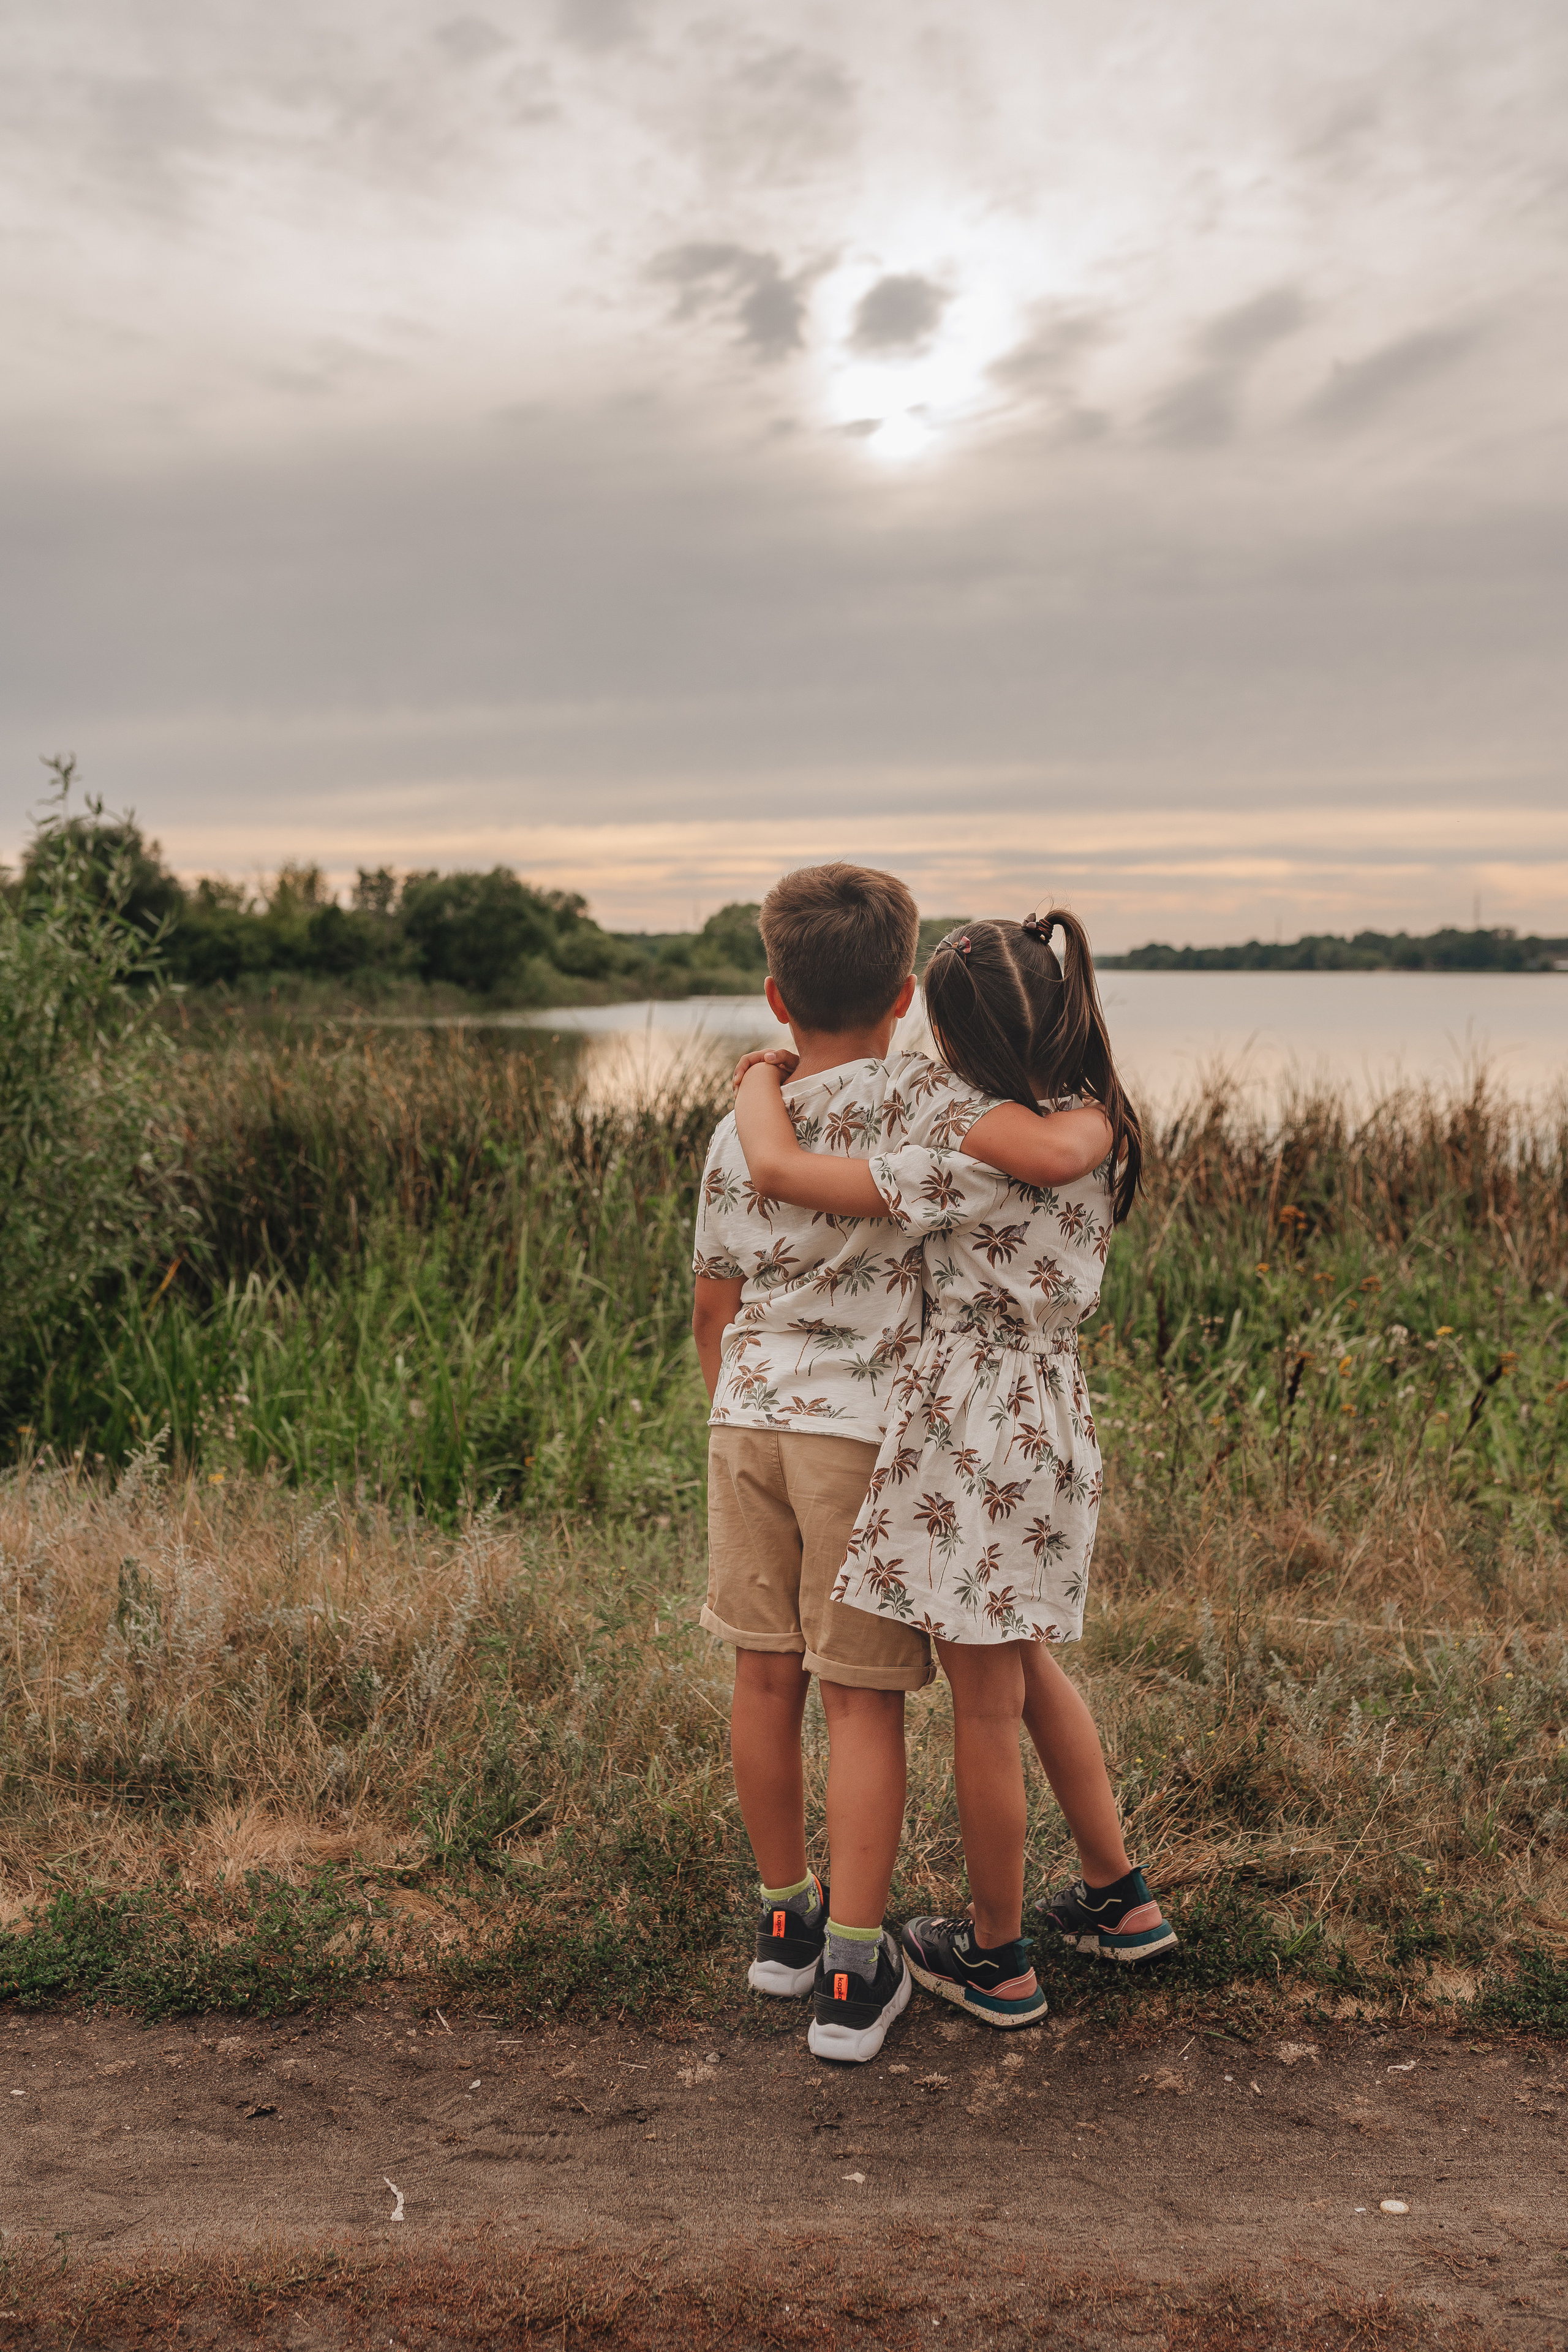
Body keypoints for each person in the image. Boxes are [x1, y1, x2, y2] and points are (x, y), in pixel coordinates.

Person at [693, 867, 1112, 2063]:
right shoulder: (931, 1106)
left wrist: (731, 1400)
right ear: (900, 998)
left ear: (777, 996)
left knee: (761, 1678)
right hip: (863, 1435)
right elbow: (1032, 1165)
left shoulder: (743, 1127)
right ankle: (852, 1967)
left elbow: (712, 1300)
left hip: (748, 1418)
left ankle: (785, 1920)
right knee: (859, 1700)